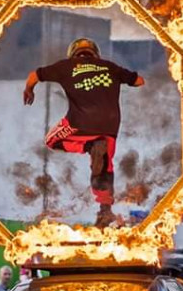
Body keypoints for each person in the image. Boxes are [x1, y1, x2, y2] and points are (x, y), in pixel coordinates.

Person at [23, 37, 146, 227]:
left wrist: (29, 89)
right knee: (105, 166)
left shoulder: (66, 66)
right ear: (95, 53)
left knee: (51, 140)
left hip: (80, 122)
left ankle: (88, 145)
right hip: (110, 126)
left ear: (73, 53)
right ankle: (105, 211)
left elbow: (34, 75)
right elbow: (139, 81)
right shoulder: (109, 66)